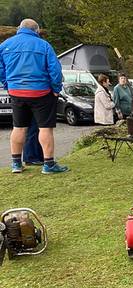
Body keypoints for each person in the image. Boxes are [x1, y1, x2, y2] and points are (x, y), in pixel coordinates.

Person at [0, 18, 68, 174]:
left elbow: (1, 69)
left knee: (18, 127)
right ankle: (49, 165)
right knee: (45, 128)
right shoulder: (44, 45)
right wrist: (56, 88)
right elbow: (55, 70)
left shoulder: (4, 45)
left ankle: (16, 164)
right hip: (41, 92)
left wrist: (7, 84)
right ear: (36, 31)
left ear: (19, 28)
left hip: (17, 92)